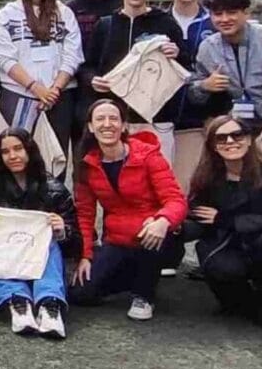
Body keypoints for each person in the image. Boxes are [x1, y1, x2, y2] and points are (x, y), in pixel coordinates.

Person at [179, 115, 262, 327]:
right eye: (221, 138)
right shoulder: (207, 175)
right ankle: (242, 299)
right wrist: (176, 227)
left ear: (250, 139)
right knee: (221, 275)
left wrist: (227, 220)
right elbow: (198, 214)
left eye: (237, 135)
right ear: (213, 146)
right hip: (229, 242)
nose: (230, 142)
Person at [72, 98, 186, 321]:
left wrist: (162, 221)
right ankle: (135, 276)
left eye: (114, 118)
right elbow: (85, 214)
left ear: (124, 125)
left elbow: (176, 200)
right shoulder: (86, 165)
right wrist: (85, 255)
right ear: (91, 127)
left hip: (154, 234)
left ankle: (143, 295)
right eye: (100, 119)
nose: (107, 124)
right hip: (118, 239)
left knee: (149, 235)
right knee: (80, 293)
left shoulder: (148, 155)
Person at [0, 128, 79, 339]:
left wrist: (62, 231)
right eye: (5, 151)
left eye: (18, 148)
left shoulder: (55, 189)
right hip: (4, 260)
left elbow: (76, 241)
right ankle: (17, 303)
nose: (12, 156)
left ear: (30, 150)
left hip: (42, 263)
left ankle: (50, 305)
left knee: (49, 240)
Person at [185, 0, 262, 137]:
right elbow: (193, 94)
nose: (224, 19)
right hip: (238, 129)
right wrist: (204, 86)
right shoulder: (208, 47)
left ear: (246, 13)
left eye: (232, 12)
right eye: (218, 14)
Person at [0, 0, 83, 139]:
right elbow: (4, 58)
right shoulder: (7, 14)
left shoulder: (64, 13)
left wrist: (54, 90)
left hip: (59, 96)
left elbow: (73, 55)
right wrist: (35, 87)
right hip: (18, 93)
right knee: (18, 154)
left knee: (56, 158)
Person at [81, 0, 186, 110]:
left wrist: (177, 54)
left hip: (154, 115)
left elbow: (185, 67)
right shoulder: (105, 25)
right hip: (112, 113)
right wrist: (92, 80)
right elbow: (87, 66)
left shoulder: (166, 23)